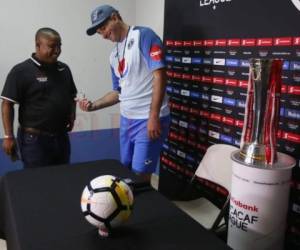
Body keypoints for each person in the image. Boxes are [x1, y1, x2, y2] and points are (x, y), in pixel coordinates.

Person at [79, 5, 170, 183]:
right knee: (125, 171)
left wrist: (154, 116)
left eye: (104, 28)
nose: (103, 35)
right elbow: (118, 92)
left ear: (115, 17)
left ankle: (146, 211)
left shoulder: (143, 35)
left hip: (147, 119)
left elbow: (160, 75)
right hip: (127, 120)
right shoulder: (113, 55)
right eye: (99, 32)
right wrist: (93, 105)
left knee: (139, 177)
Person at [1, 27, 77, 168]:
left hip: (61, 137)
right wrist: (8, 136)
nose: (57, 50)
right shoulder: (21, 71)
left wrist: (72, 115)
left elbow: (72, 96)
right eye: (52, 46)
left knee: (63, 179)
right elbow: (7, 104)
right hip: (34, 141)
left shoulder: (64, 69)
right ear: (37, 45)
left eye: (59, 46)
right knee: (37, 182)